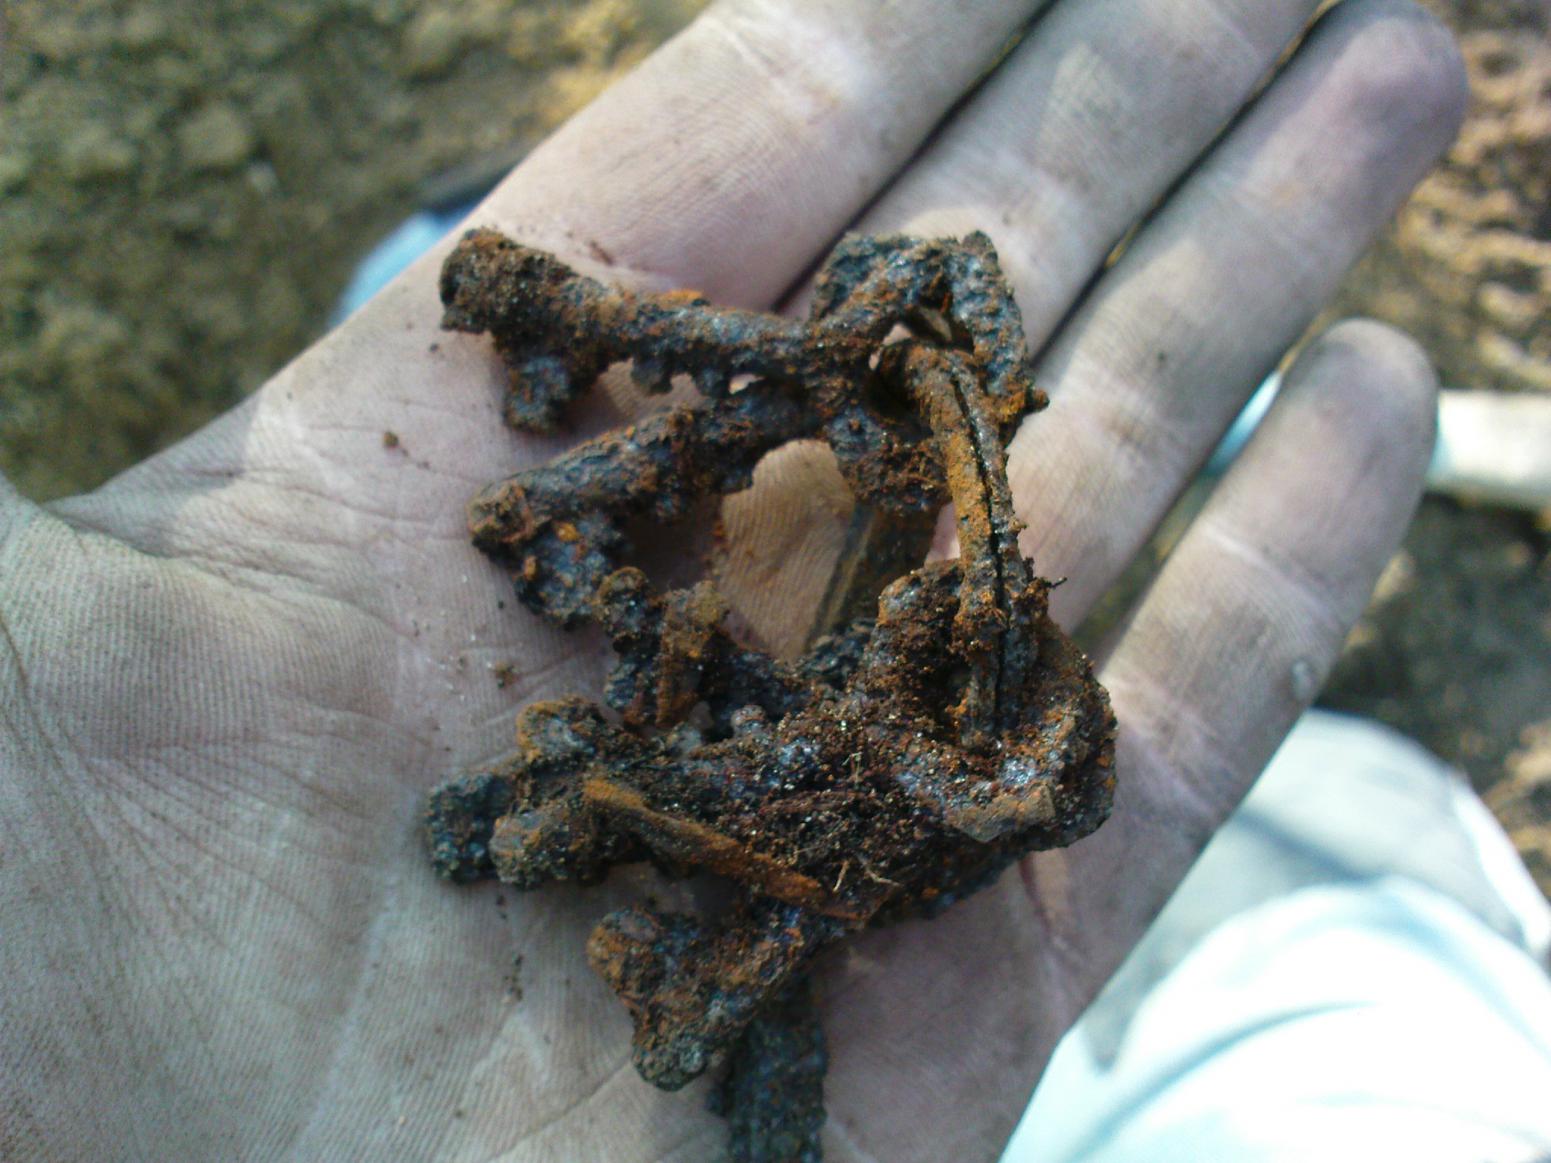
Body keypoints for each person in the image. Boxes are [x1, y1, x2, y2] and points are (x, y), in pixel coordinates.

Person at [5, 1, 1541, 1159]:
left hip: (869, 735)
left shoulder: (887, 670)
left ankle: (1314, 998)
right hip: (1348, 1073)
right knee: (1384, 1086)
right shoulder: (836, 624)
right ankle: (1339, 988)